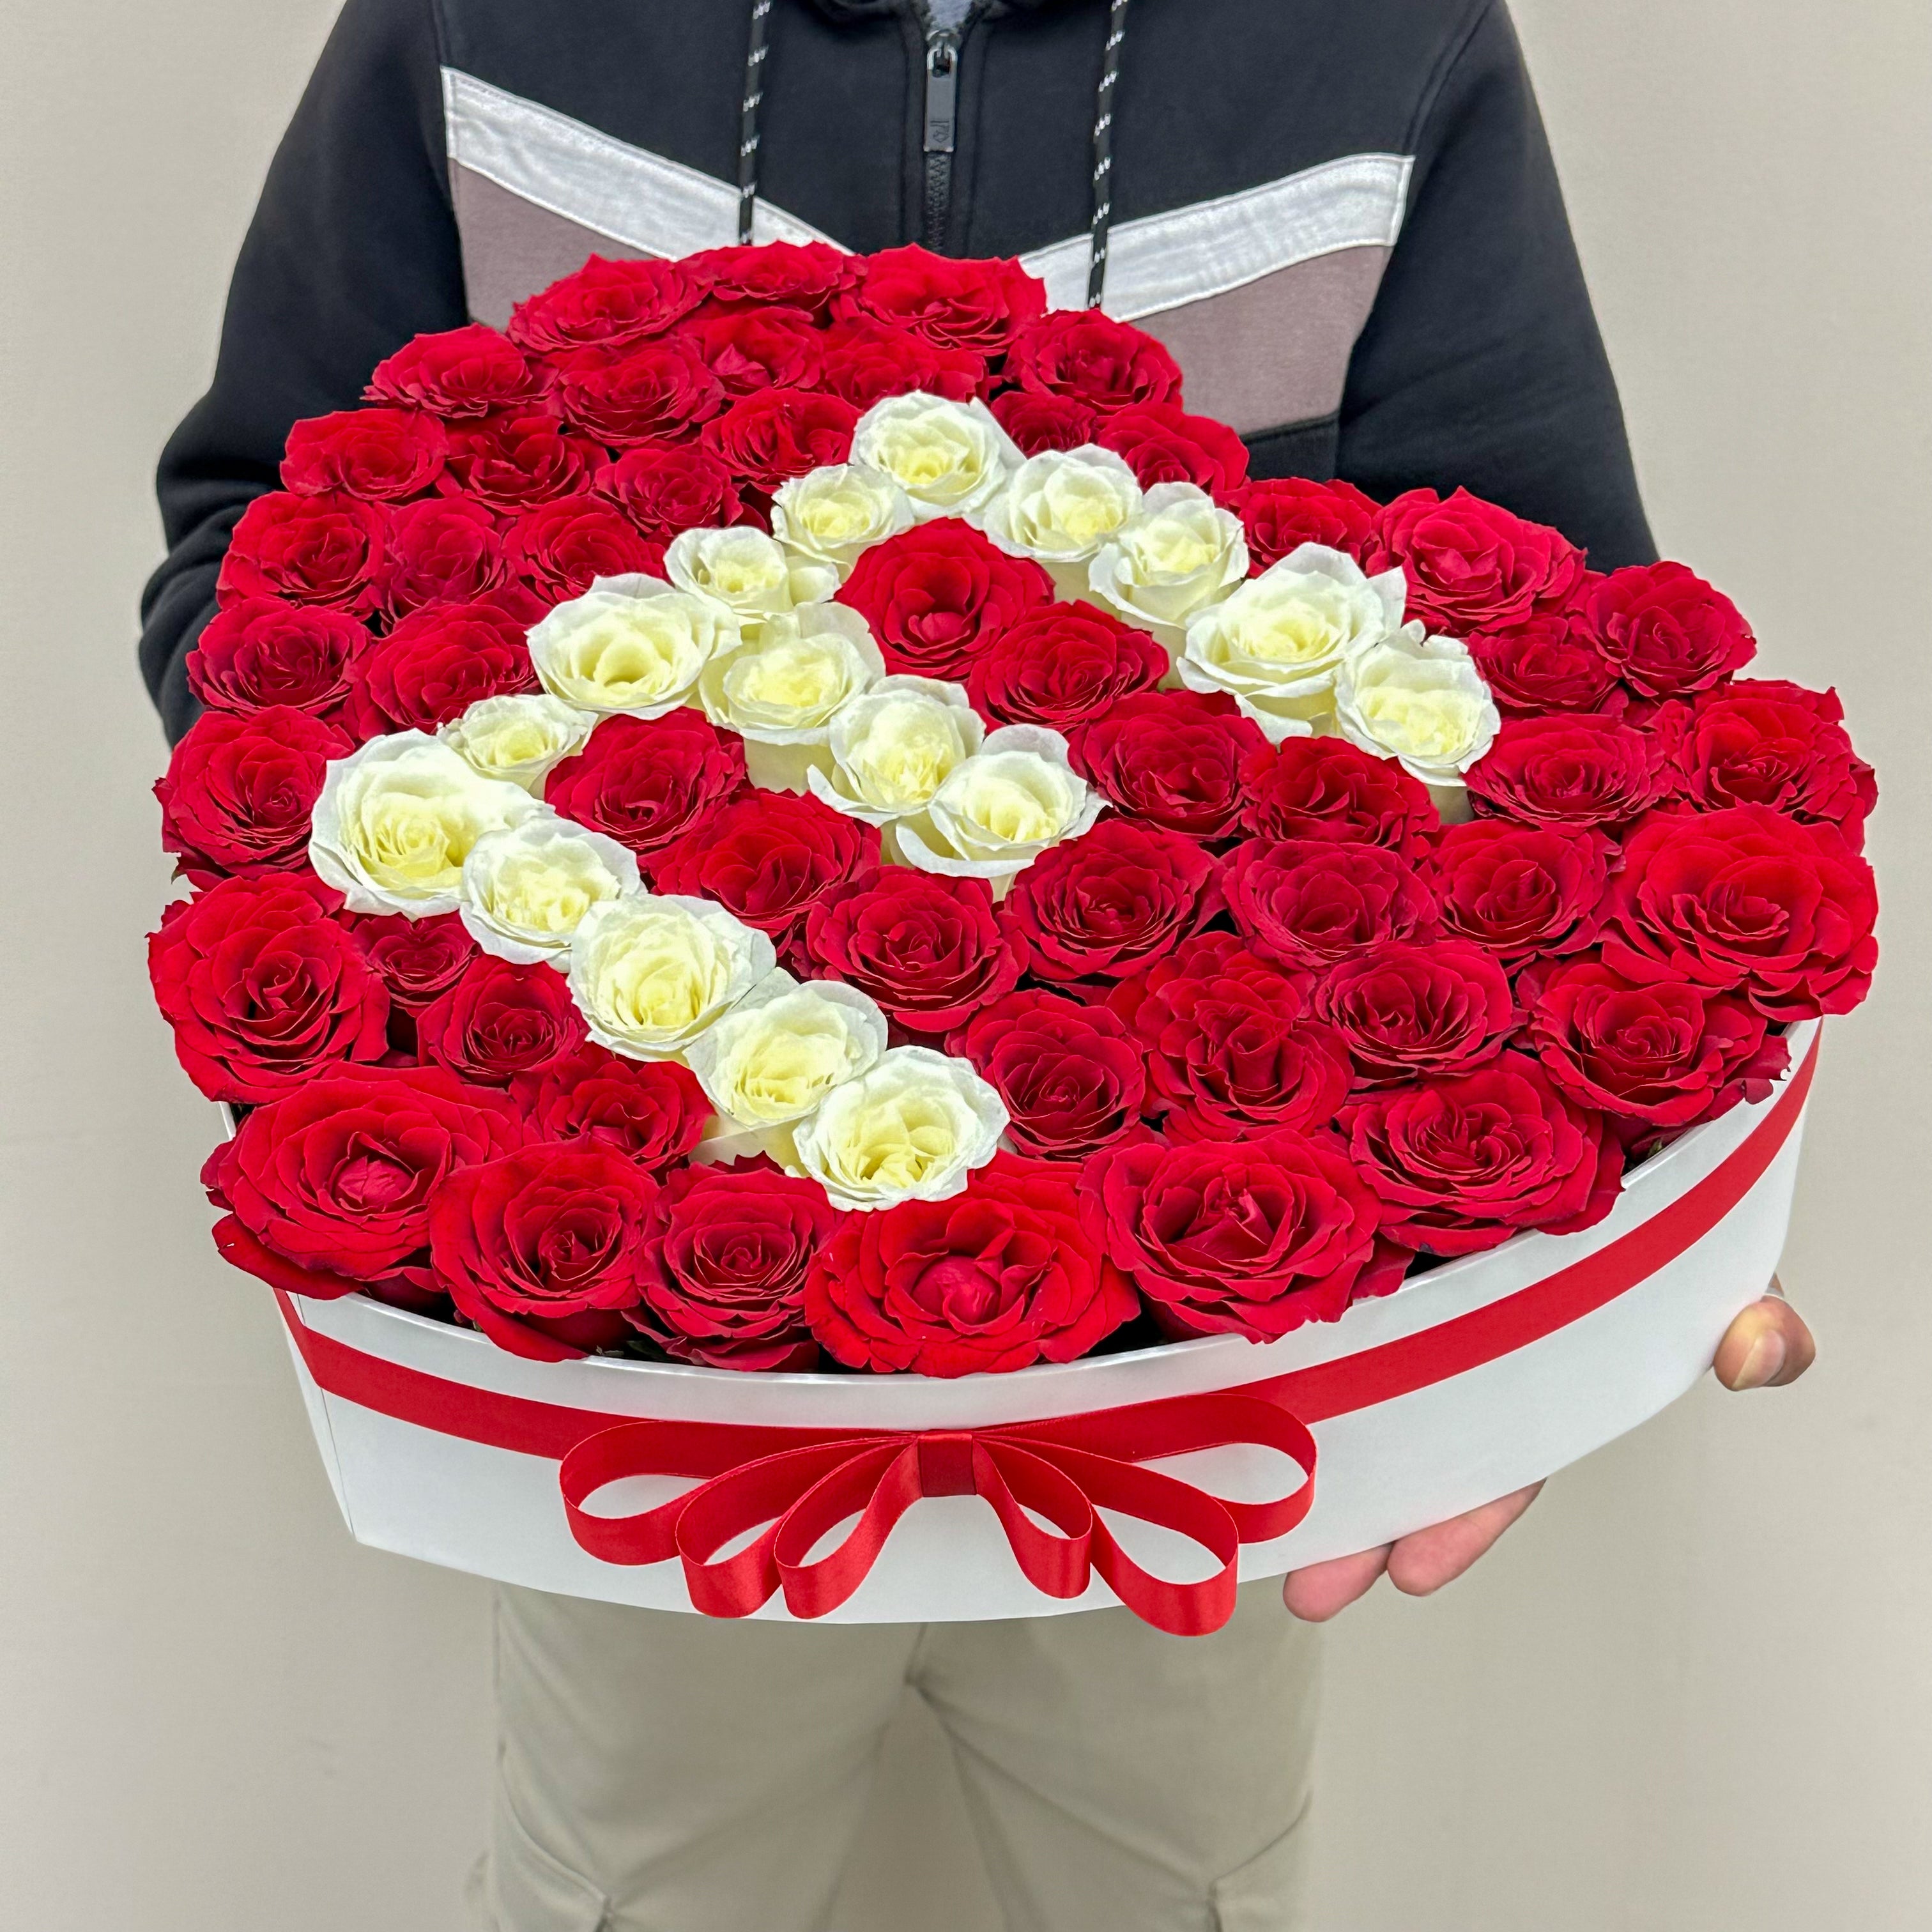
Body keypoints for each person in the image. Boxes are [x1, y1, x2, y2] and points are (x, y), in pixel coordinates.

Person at [137, 3, 1819, 1925]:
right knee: (632, 1882)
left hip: (1207, 1354)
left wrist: (1568, 1292)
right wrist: (432, 913)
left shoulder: (1377, 41)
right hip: (654, 1362)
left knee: (1181, 1881)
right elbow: (250, 544)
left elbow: (1558, 694)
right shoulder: (478, 21)